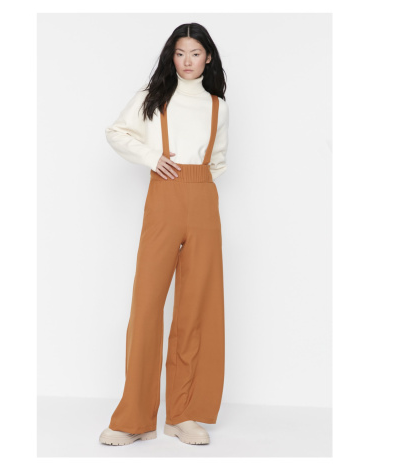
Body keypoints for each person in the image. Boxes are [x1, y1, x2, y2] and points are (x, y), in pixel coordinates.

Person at [99, 22, 229, 446]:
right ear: (171, 57)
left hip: (203, 201)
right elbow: (116, 132)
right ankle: (134, 418)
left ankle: (183, 414)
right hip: (164, 196)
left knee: (197, 310)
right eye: (180, 53)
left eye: (195, 53)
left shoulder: (217, 106)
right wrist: (153, 157)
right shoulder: (154, 97)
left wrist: (197, 186)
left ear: (208, 57)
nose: (187, 61)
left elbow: (218, 160)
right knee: (147, 306)